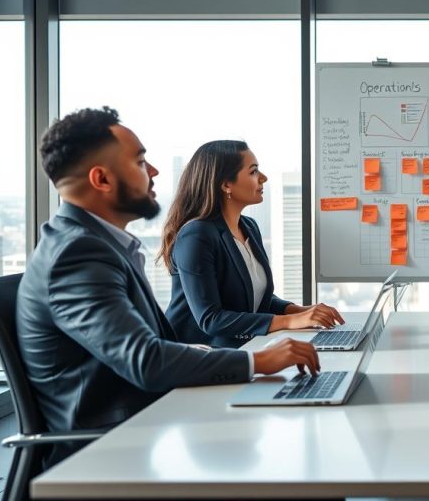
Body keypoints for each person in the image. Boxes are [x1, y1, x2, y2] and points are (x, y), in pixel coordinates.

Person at [17, 107, 320, 466]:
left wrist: (217, 354)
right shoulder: (77, 256)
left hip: (151, 416)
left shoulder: (99, 245)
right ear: (102, 179)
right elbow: (145, 360)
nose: (155, 172)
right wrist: (258, 360)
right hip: (111, 446)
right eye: (141, 161)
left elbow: (150, 348)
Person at [160, 140, 344, 348]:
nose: (264, 178)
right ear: (226, 184)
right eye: (253, 172)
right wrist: (291, 321)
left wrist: (300, 311)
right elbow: (210, 319)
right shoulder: (196, 235)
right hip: (197, 359)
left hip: (242, 349)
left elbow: (254, 300)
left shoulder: (249, 227)